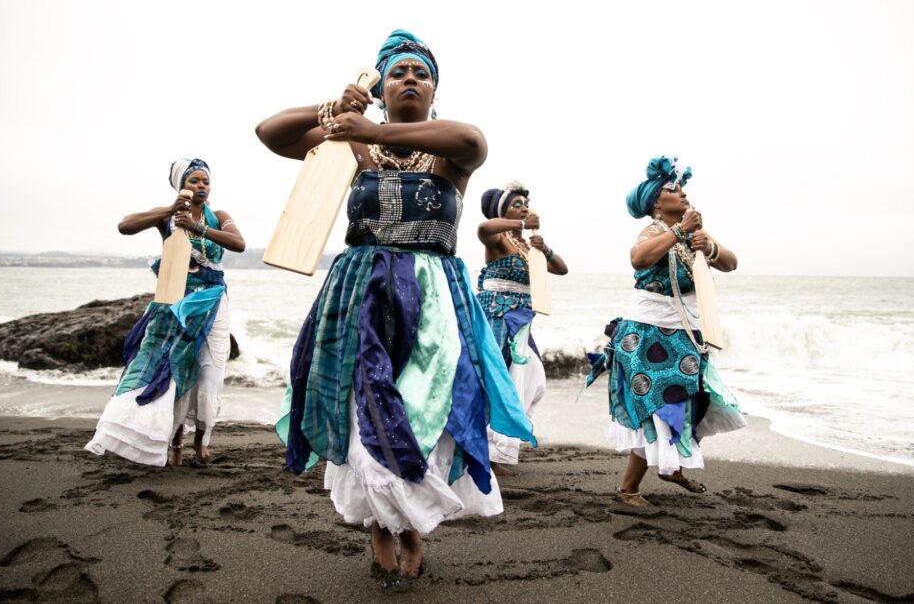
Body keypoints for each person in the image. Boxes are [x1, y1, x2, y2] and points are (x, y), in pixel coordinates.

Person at [255, 30, 534, 589]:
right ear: (381, 88)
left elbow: (473, 138)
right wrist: (334, 110)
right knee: (363, 405)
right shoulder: (353, 149)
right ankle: (383, 526)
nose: (410, 79)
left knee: (421, 407)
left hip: (433, 297)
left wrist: (375, 126)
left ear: (433, 92)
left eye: (421, 73)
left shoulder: (449, 156)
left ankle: (408, 524)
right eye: (398, 72)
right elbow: (271, 133)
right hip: (359, 291)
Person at [585, 156, 745, 507]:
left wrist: (711, 248)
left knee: (686, 400)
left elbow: (731, 263)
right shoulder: (654, 231)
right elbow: (639, 259)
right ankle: (629, 488)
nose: (683, 192)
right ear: (657, 201)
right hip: (648, 332)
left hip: (686, 331)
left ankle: (671, 465)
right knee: (657, 406)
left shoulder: (694, 233)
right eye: (674, 188)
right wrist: (678, 232)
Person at [85, 159, 245, 467]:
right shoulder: (167, 217)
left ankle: (202, 439)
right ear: (181, 184)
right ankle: (174, 440)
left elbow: (238, 243)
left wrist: (198, 227)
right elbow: (125, 226)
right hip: (175, 300)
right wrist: (171, 211)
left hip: (214, 301)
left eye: (205, 181)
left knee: (212, 369)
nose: (201, 186)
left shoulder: (219, 216)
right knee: (175, 367)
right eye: (194, 180)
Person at [476, 182, 567, 474]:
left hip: (521, 320)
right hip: (497, 317)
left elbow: (561, 269)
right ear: (502, 212)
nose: (524, 209)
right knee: (496, 381)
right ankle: (484, 453)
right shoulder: (499, 240)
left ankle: (496, 446)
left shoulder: (527, 246)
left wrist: (546, 249)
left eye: (525, 206)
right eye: (516, 205)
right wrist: (518, 223)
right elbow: (483, 229)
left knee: (531, 380)